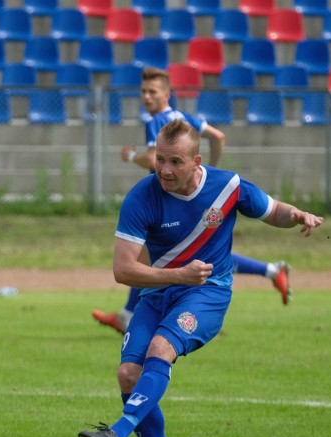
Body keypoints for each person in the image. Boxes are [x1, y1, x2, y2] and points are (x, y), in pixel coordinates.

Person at [78, 120, 323, 437]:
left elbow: (273, 211)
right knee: (128, 375)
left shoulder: (228, 187)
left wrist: (299, 216)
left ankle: (119, 432)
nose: (163, 169)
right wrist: (178, 275)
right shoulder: (141, 197)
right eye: (159, 159)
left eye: (174, 162)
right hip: (161, 292)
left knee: (162, 348)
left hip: (207, 293)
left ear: (196, 161)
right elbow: (123, 270)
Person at [91, 67, 291, 335]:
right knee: (179, 254)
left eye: (152, 92)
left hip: (169, 200)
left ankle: (133, 316)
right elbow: (218, 137)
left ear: (166, 94)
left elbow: (152, 160)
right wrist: (208, 175)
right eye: (143, 92)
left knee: (151, 257)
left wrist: (129, 157)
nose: (146, 97)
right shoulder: (183, 119)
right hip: (184, 195)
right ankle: (270, 270)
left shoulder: (157, 123)